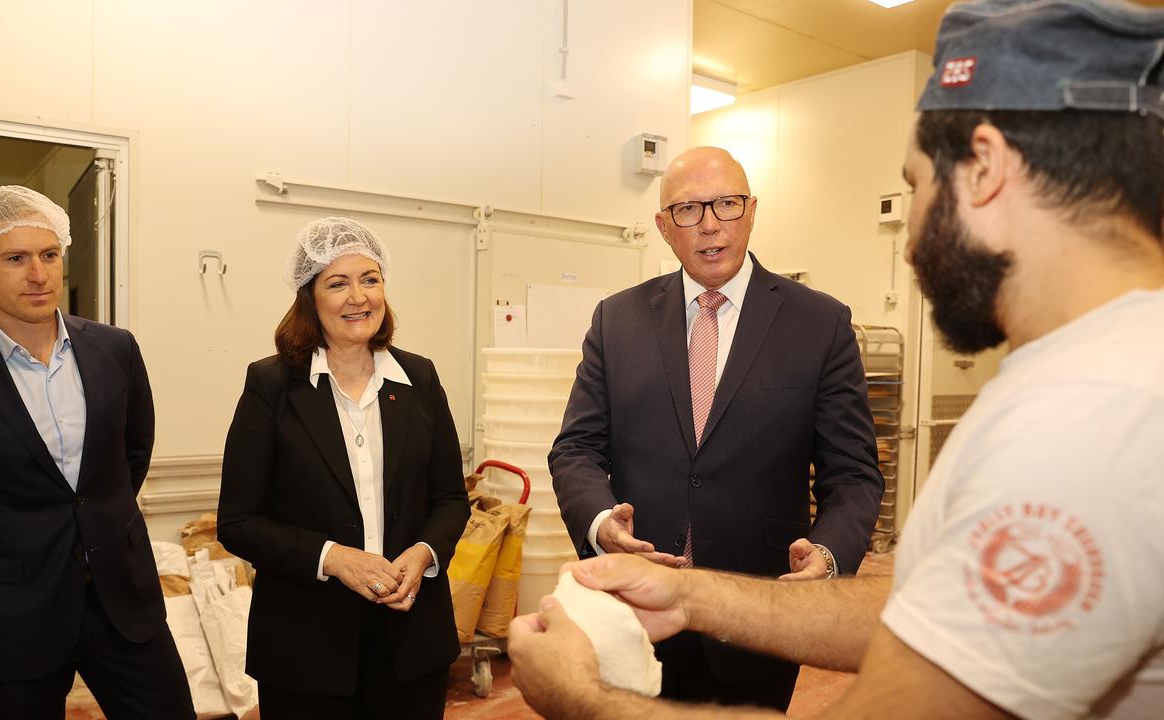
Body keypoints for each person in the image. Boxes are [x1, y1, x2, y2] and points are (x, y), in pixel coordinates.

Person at [511, 0, 1164, 717]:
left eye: (915, 186)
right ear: (664, 226)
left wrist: (581, 700)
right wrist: (692, 593)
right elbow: (926, 617)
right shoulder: (1098, 378)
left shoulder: (1092, 420)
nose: (911, 233)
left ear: (984, 168)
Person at [548, 144, 884, 706]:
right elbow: (576, 449)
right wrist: (602, 523)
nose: (709, 226)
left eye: (726, 205)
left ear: (752, 211)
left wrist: (827, 556)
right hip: (638, 611)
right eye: (688, 210)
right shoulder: (617, 320)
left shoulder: (819, 323)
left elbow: (852, 474)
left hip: (760, 610)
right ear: (662, 226)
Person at [0, 185, 193, 719]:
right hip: (12, 615)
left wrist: (99, 524)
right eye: (16, 258)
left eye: (49, 255)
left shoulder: (113, 349)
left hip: (123, 602)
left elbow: (130, 455)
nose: (39, 274)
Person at [217, 216, 469, 718]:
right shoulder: (271, 385)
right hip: (306, 647)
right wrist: (333, 557)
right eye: (338, 283)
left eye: (370, 279)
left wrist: (423, 553)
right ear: (310, 297)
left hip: (410, 639)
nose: (359, 297)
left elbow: (449, 498)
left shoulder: (419, 377)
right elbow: (239, 522)